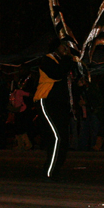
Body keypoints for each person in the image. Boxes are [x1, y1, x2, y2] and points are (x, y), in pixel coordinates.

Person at [33, 39, 75, 181]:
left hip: (60, 104)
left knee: (63, 139)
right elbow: (57, 74)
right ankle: (49, 171)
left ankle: (55, 169)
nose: (66, 49)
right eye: (64, 46)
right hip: (46, 100)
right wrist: (68, 59)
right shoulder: (47, 59)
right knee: (57, 137)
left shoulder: (63, 62)